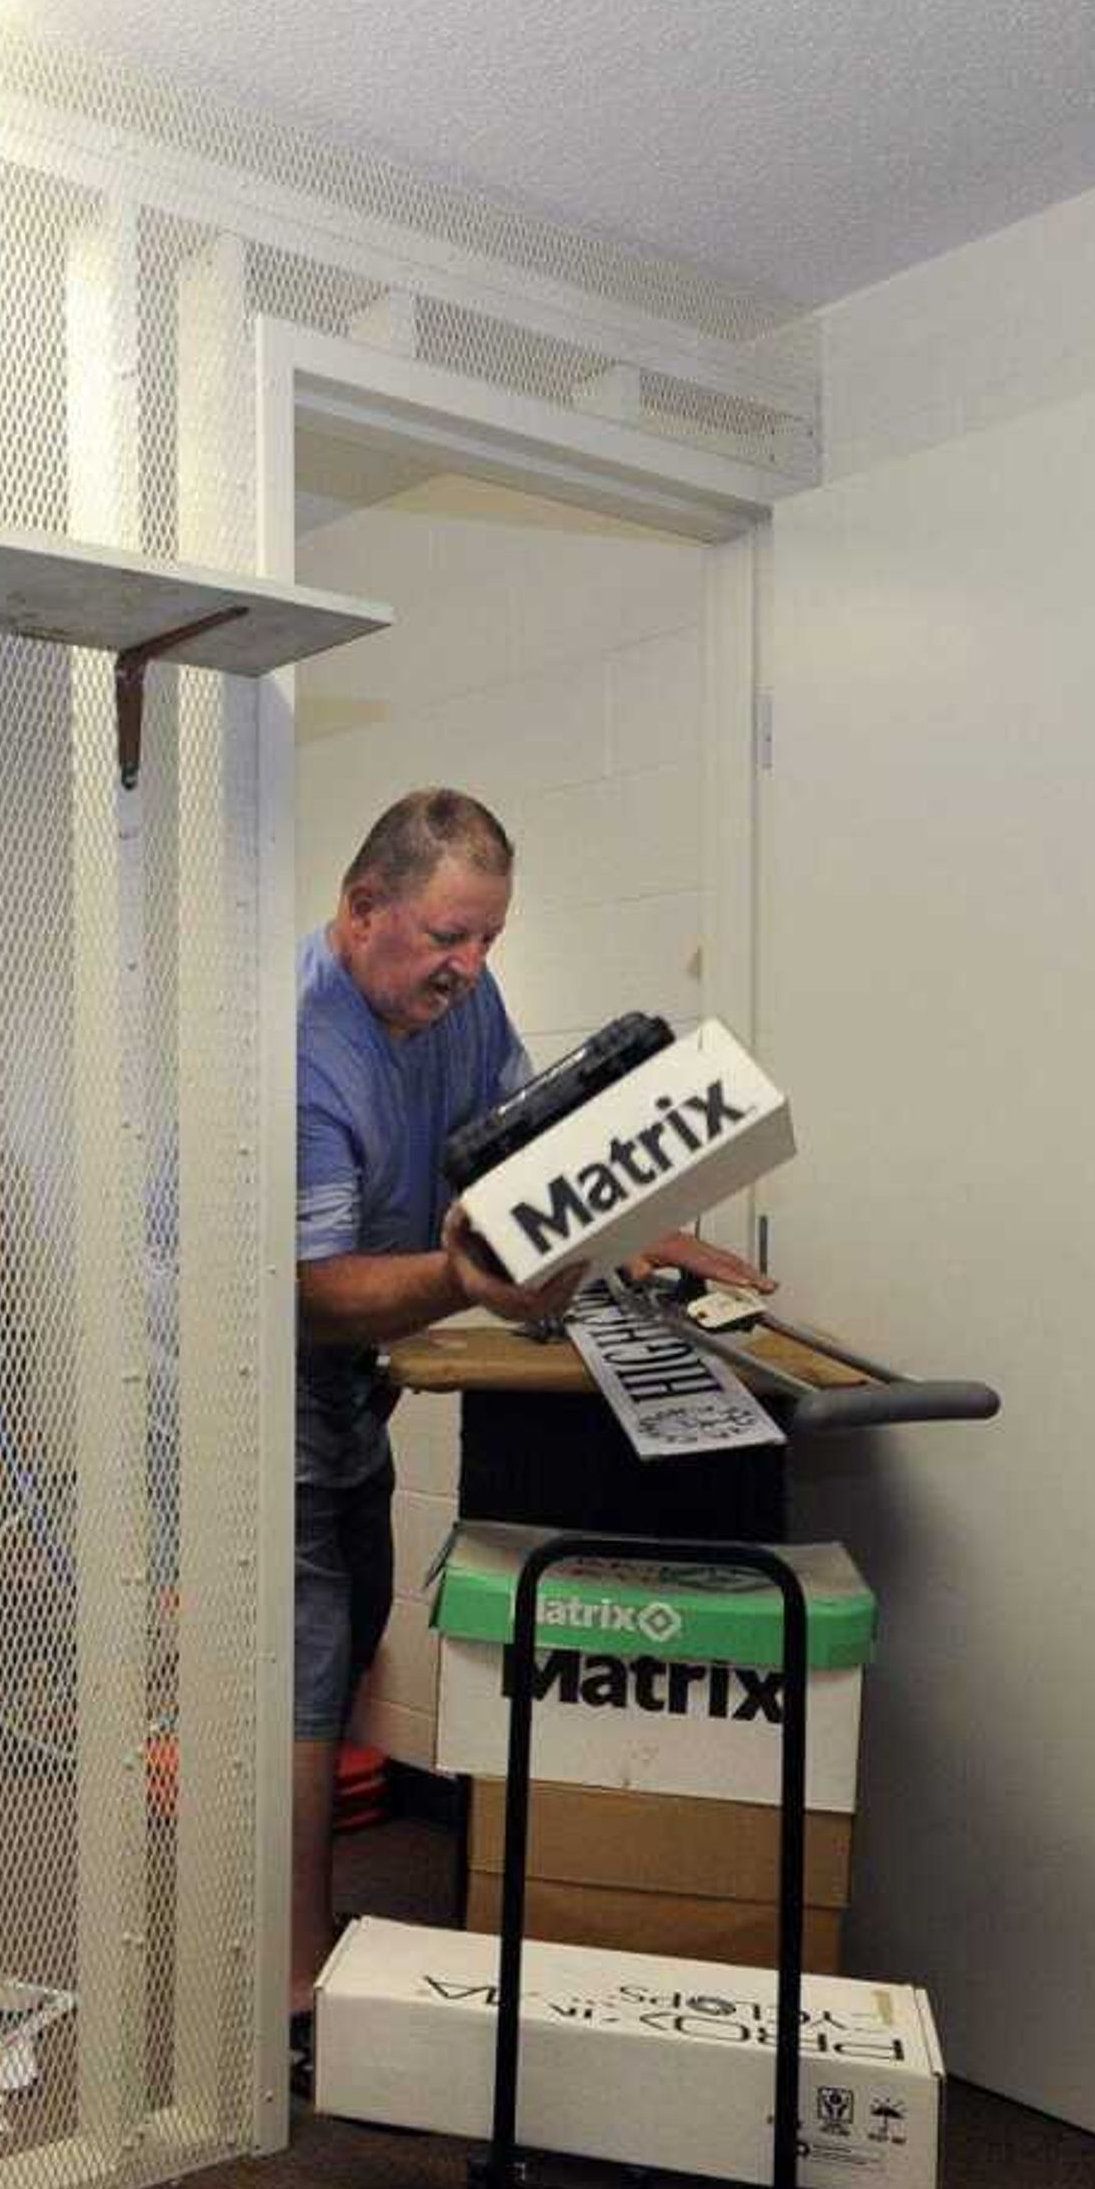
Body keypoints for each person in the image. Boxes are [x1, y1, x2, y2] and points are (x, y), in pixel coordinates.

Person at [290, 786, 760, 2018]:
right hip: (248, 1364)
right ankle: (286, 1977)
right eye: (450, 936)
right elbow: (313, 1290)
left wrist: (638, 1227)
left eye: (489, 937)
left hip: (359, 1370)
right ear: (362, 907)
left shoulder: (461, 996)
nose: (471, 966)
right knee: (299, 1654)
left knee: (344, 1635)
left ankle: (295, 1917)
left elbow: (515, 1152)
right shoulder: (300, 1043)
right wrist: (457, 1276)